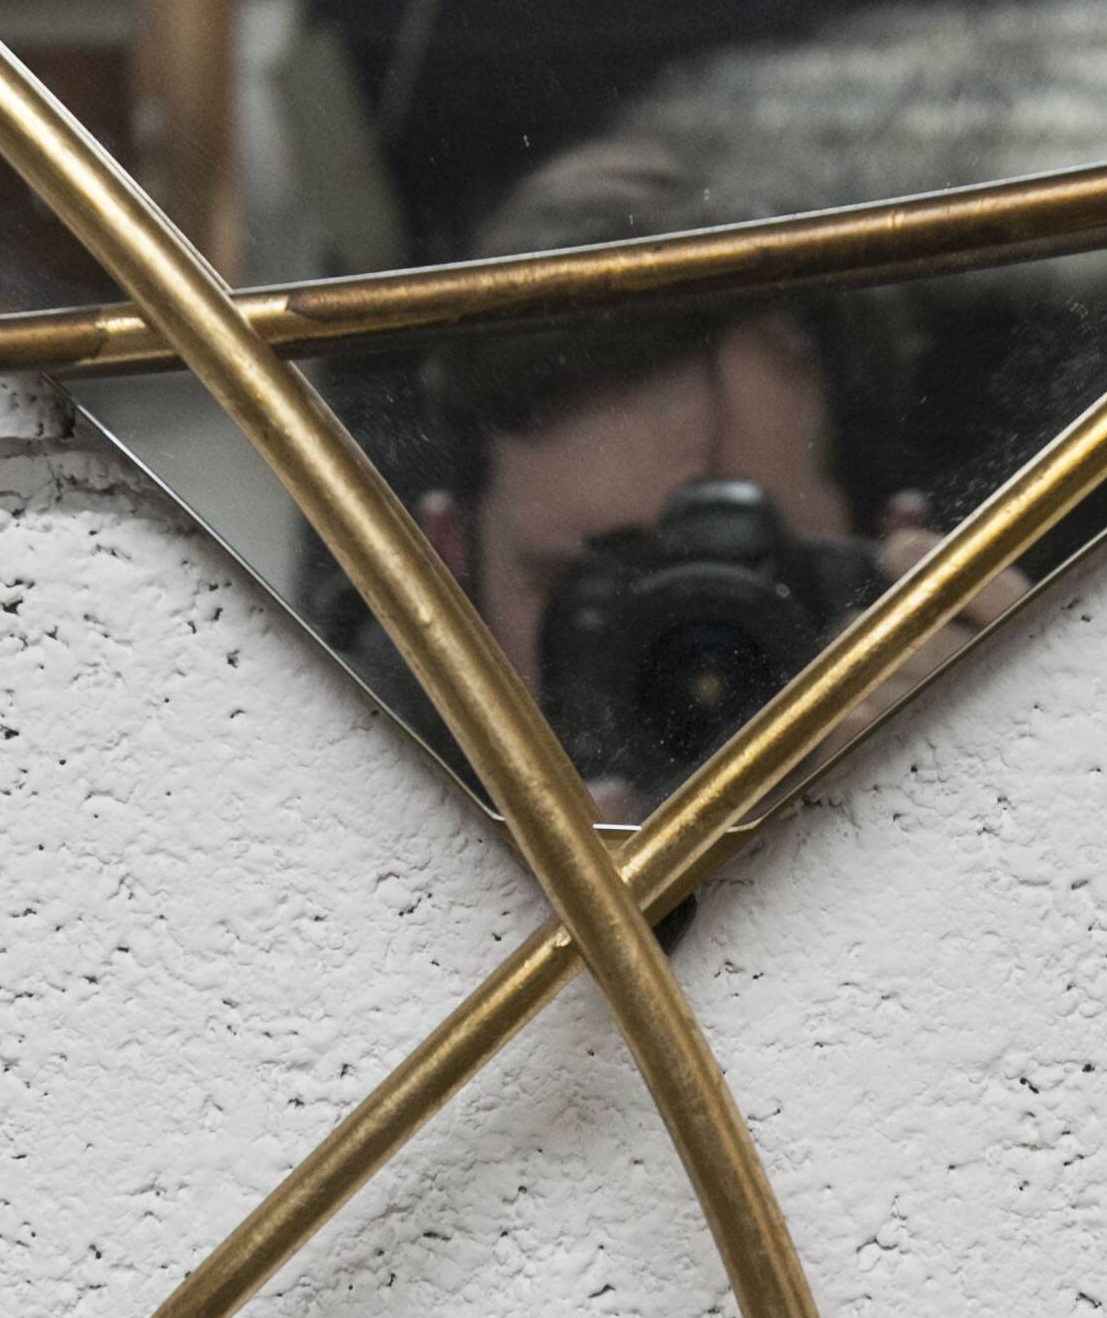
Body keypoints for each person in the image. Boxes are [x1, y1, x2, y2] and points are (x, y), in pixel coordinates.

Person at [318, 137, 1023, 813]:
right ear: (443, 569)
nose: (684, 663)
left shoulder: (976, 777)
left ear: (886, 562)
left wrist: (1012, 770)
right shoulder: (317, 788)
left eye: (748, 573)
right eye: (588, 587)